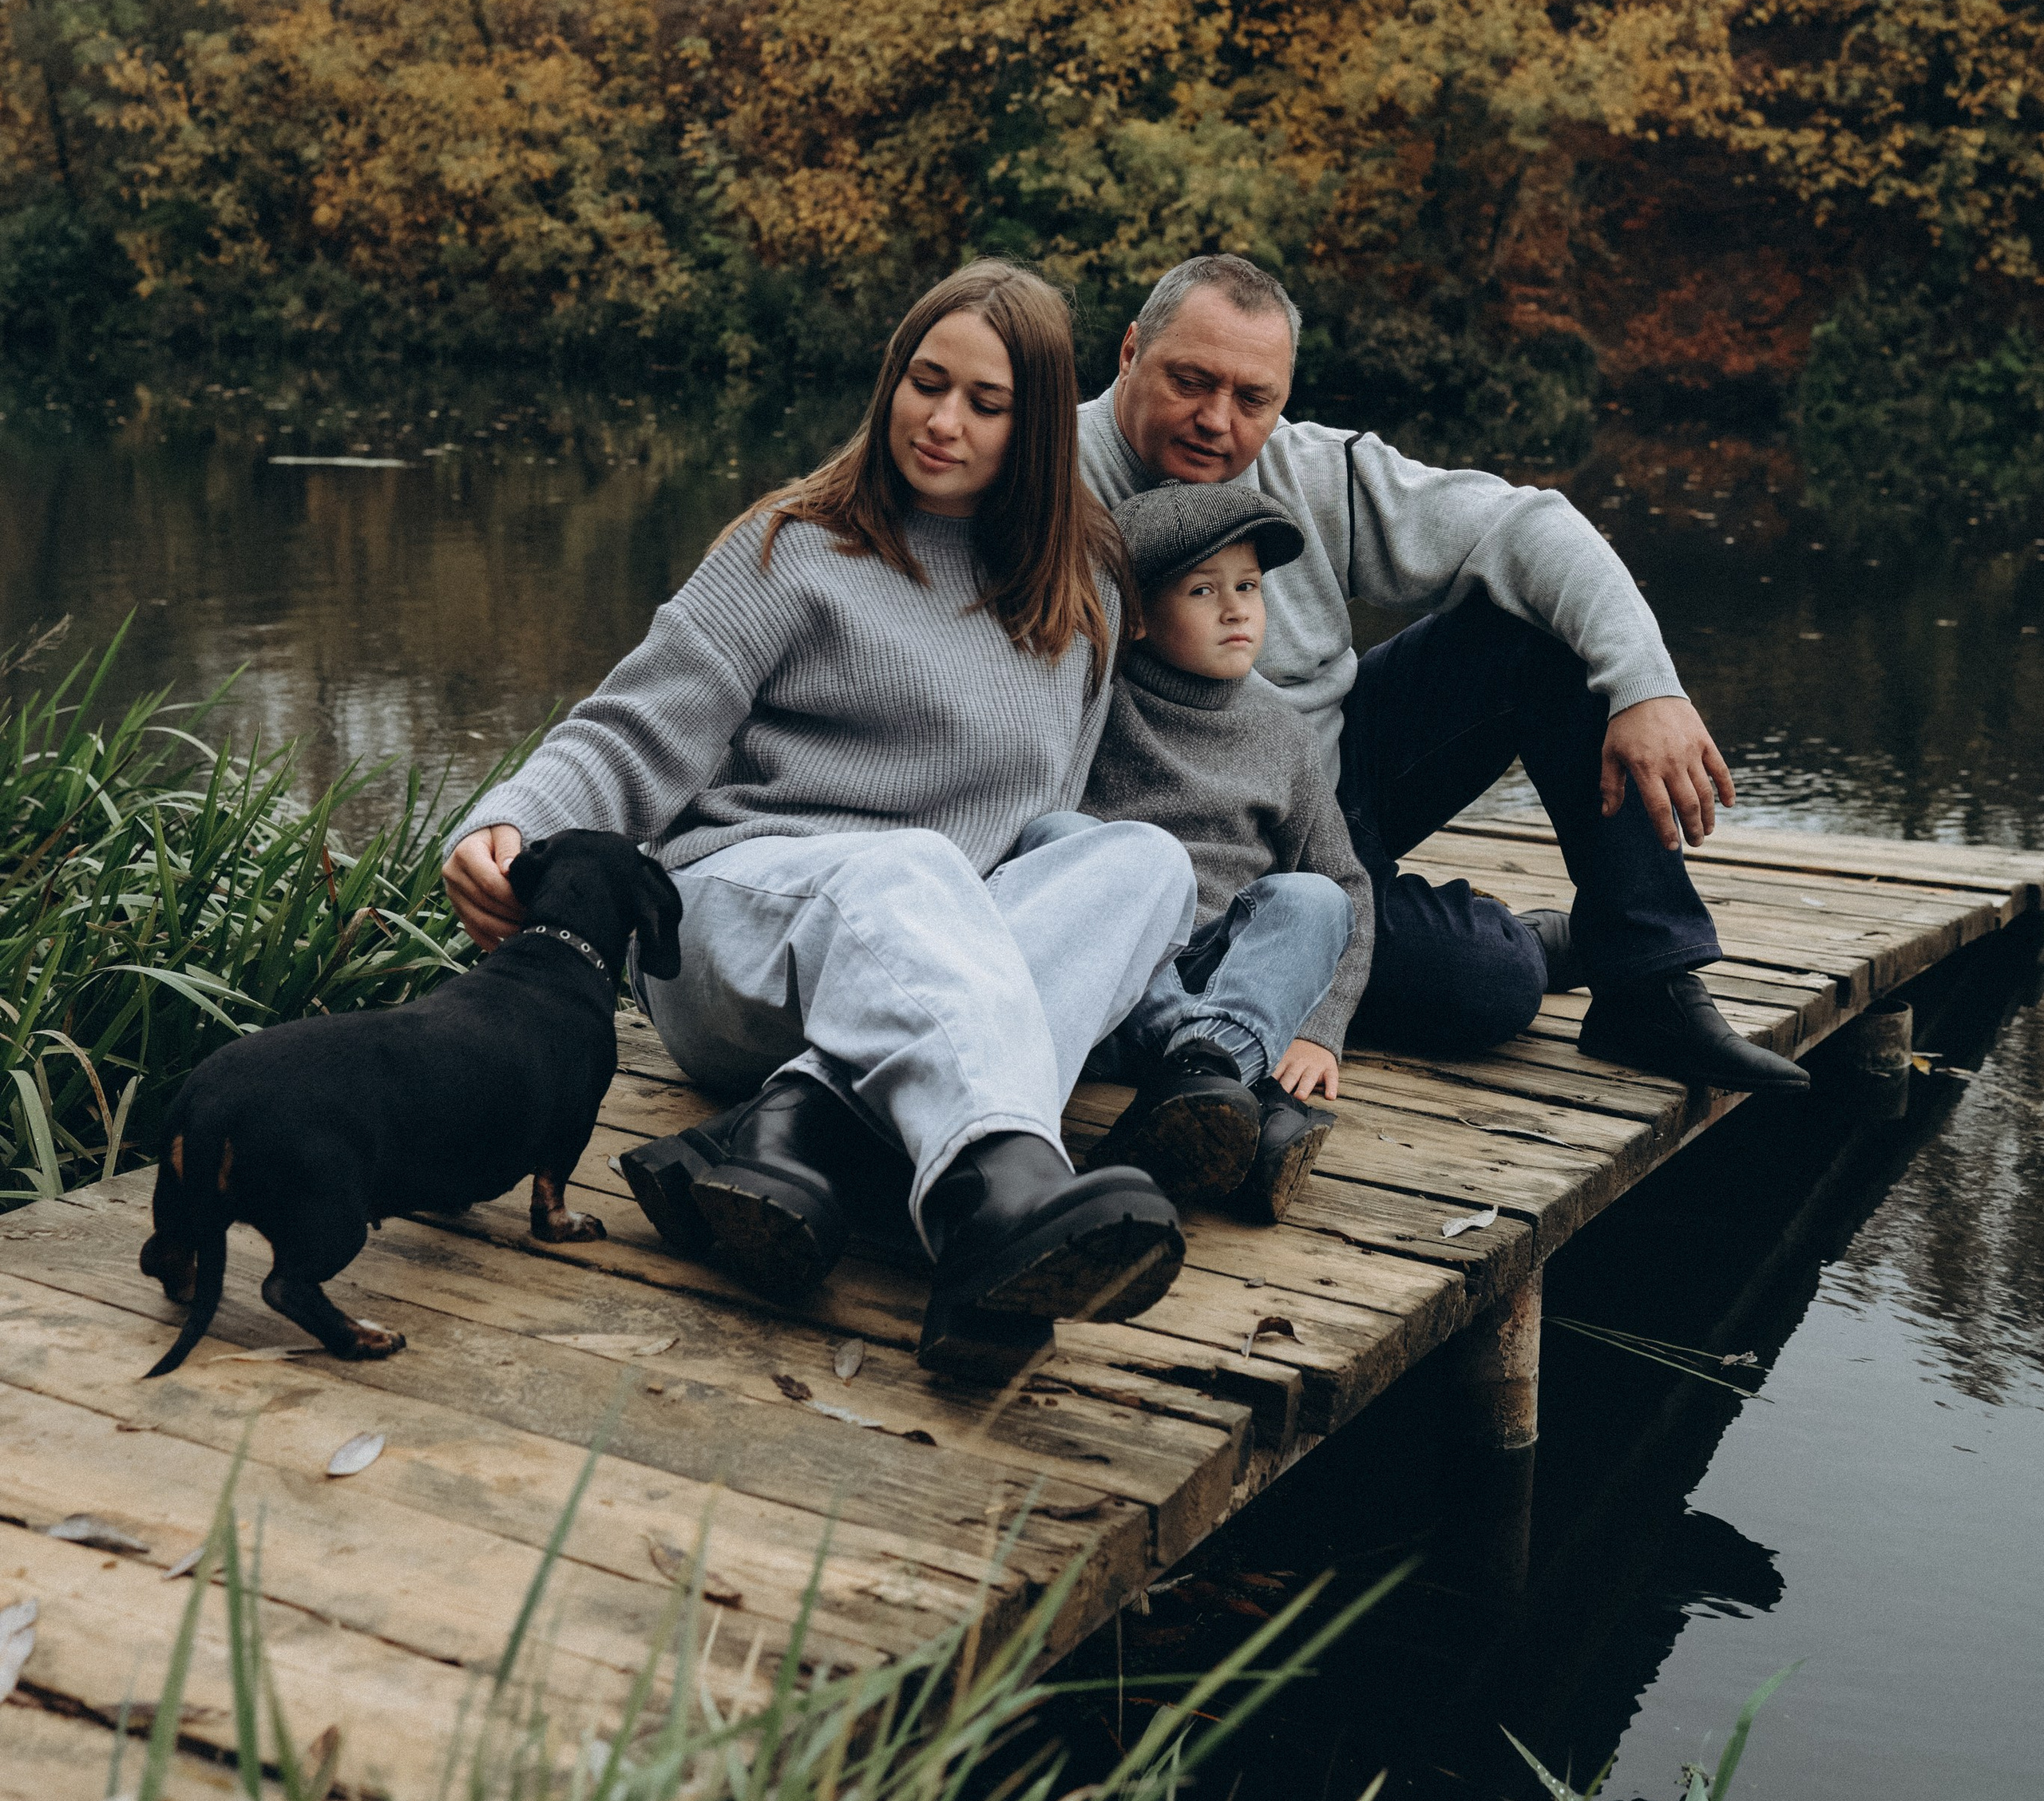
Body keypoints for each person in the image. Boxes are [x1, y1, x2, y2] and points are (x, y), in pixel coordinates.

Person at [443, 259, 1219, 1376]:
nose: (941, 421)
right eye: (924, 381)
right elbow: (630, 729)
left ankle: (819, 1144)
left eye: (985, 404)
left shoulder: (1083, 587)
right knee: (907, 866)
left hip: (923, 958)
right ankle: (993, 1186)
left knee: (1145, 864)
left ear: (1040, 424)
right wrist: (514, 819)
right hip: (733, 933)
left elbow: (1045, 823)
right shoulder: (790, 546)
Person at [1075, 254, 1808, 1095]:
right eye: (1190, 381)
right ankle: (1537, 944)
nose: (1217, 421)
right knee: (1490, 985)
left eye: (1253, 400)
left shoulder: (1314, 471)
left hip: (1326, 794)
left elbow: (1523, 527)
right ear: (1130, 351)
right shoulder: (1040, 483)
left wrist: (1647, 684)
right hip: (1180, 855)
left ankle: (1648, 981)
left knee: (1535, 630)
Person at [1021, 473, 1375, 1226]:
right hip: (1111, 982)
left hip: (1224, 981)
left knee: (1314, 899)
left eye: (1248, 586)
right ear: (1138, 618)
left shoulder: (1281, 731)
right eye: (1201, 592)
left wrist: (1321, 1028)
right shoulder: (1095, 699)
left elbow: (1348, 881)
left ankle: (1202, 1074)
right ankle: (1233, 1106)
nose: (1236, 609)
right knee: (1060, 837)